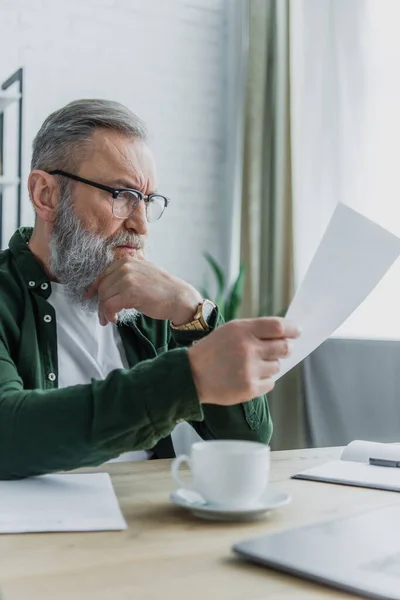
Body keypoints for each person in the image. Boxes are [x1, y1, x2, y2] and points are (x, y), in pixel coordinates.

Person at [0, 99, 300, 480]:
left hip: (150, 525)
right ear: (46, 195)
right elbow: (8, 436)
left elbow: (249, 438)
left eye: (147, 199)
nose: (142, 224)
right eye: (121, 195)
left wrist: (194, 314)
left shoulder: (151, 305)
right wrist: (187, 378)